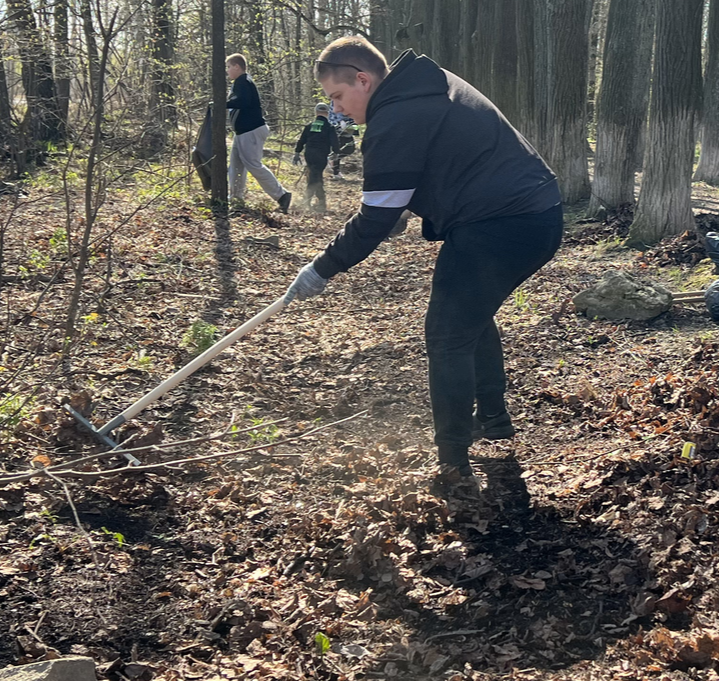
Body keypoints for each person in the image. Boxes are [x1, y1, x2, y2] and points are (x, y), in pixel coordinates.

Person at [284, 36, 563, 499]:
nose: (336, 110)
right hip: (535, 214)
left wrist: (321, 268)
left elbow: (374, 219)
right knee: (470, 316)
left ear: (362, 79)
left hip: (501, 224)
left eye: (337, 97)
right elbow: (440, 164)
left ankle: (453, 464)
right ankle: (492, 418)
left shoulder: (395, 116)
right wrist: (398, 208)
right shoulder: (425, 88)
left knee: (447, 335)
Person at [226, 53, 293, 213]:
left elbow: (243, 102)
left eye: (229, 67)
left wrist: (223, 102)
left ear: (237, 67)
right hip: (242, 132)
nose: (227, 71)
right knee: (235, 165)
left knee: (253, 164)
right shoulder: (240, 83)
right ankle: (236, 198)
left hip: (251, 130)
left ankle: (282, 195)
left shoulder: (243, 82)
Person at [293, 103, 340, 213]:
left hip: (309, 154)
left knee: (313, 175)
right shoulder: (329, 127)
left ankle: (311, 201)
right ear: (327, 114)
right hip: (321, 155)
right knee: (316, 176)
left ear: (315, 113)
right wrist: (336, 153)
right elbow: (335, 142)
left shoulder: (309, 126)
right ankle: (316, 201)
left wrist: (296, 153)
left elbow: (302, 140)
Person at [327, 110, 357, 180]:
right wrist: (340, 122)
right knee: (338, 150)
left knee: (350, 149)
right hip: (338, 127)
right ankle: (336, 173)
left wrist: (354, 126)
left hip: (349, 126)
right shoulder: (337, 102)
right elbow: (335, 112)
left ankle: (331, 161)